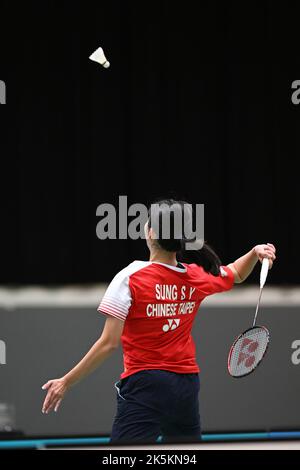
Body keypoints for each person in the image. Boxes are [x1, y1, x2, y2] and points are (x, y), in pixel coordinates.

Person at [41, 199, 276, 443]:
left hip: (145, 385)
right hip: (186, 386)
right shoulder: (195, 275)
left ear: (150, 232)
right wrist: (254, 252)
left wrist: (66, 381)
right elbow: (236, 273)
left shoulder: (129, 278)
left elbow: (109, 344)